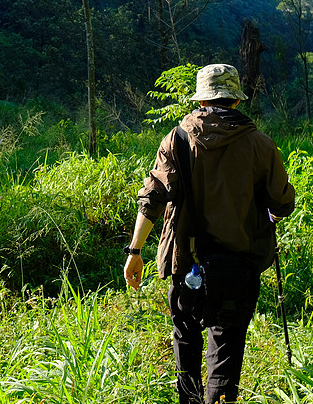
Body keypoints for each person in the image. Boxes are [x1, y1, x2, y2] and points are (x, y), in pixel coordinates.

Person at [123, 63, 296, 404]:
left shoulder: (176, 139)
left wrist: (135, 251)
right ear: (235, 100)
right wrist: (270, 212)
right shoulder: (261, 145)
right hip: (238, 266)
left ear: (201, 101)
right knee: (227, 349)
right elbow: (281, 203)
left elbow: (153, 197)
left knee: (185, 340)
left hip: (186, 261)